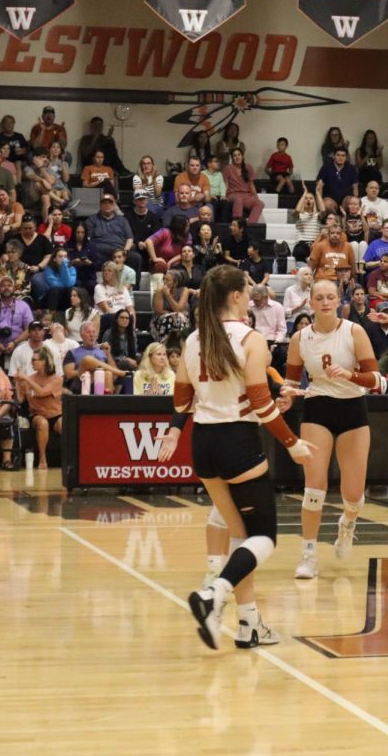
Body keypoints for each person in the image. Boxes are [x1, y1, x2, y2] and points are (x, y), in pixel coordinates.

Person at [162, 265, 314, 650]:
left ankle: (249, 625)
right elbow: (261, 402)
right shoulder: (251, 337)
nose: (251, 297)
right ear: (234, 297)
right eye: (246, 292)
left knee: (241, 539)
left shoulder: (194, 339)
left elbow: (182, 401)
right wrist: (291, 442)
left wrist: (181, 426)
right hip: (238, 442)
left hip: (204, 444)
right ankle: (215, 595)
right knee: (264, 537)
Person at [284, 279, 382, 578]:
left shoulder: (354, 331)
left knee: (353, 494)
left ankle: (348, 524)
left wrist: (350, 375)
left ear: (340, 300)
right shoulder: (300, 338)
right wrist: (286, 396)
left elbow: (377, 379)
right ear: (310, 303)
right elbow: (291, 381)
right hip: (317, 407)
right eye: (319, 298)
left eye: (331, 297)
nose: (325, 302)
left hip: (352, 409)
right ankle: (309, 553)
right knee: (314, 487)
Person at [18, 347, 64, 470]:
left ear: (44, 361)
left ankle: (71, 458)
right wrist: (18, 383)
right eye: (32, 359)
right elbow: (20, 400)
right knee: (42, 423)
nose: (32, 362)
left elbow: (43, 392)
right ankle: (42, 458)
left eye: (35, 360)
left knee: (64, 424)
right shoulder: (30, 378)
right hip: (37, 414)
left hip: (55, 414)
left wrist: (27, 379)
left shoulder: (56, 379)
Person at [223, 149, 264, 224]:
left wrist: (256, 197)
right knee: (238, 199)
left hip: (246, 195)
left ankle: (250, 225)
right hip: (232, 194)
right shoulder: (228, 168)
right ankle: (237, 224)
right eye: (234, 156)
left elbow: (251, 185)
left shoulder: (248, 167)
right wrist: (224, 194)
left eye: (239, 155)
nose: (237, 157)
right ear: (232, 158)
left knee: (260, 203)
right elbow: (226, 183)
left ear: (242, 156)